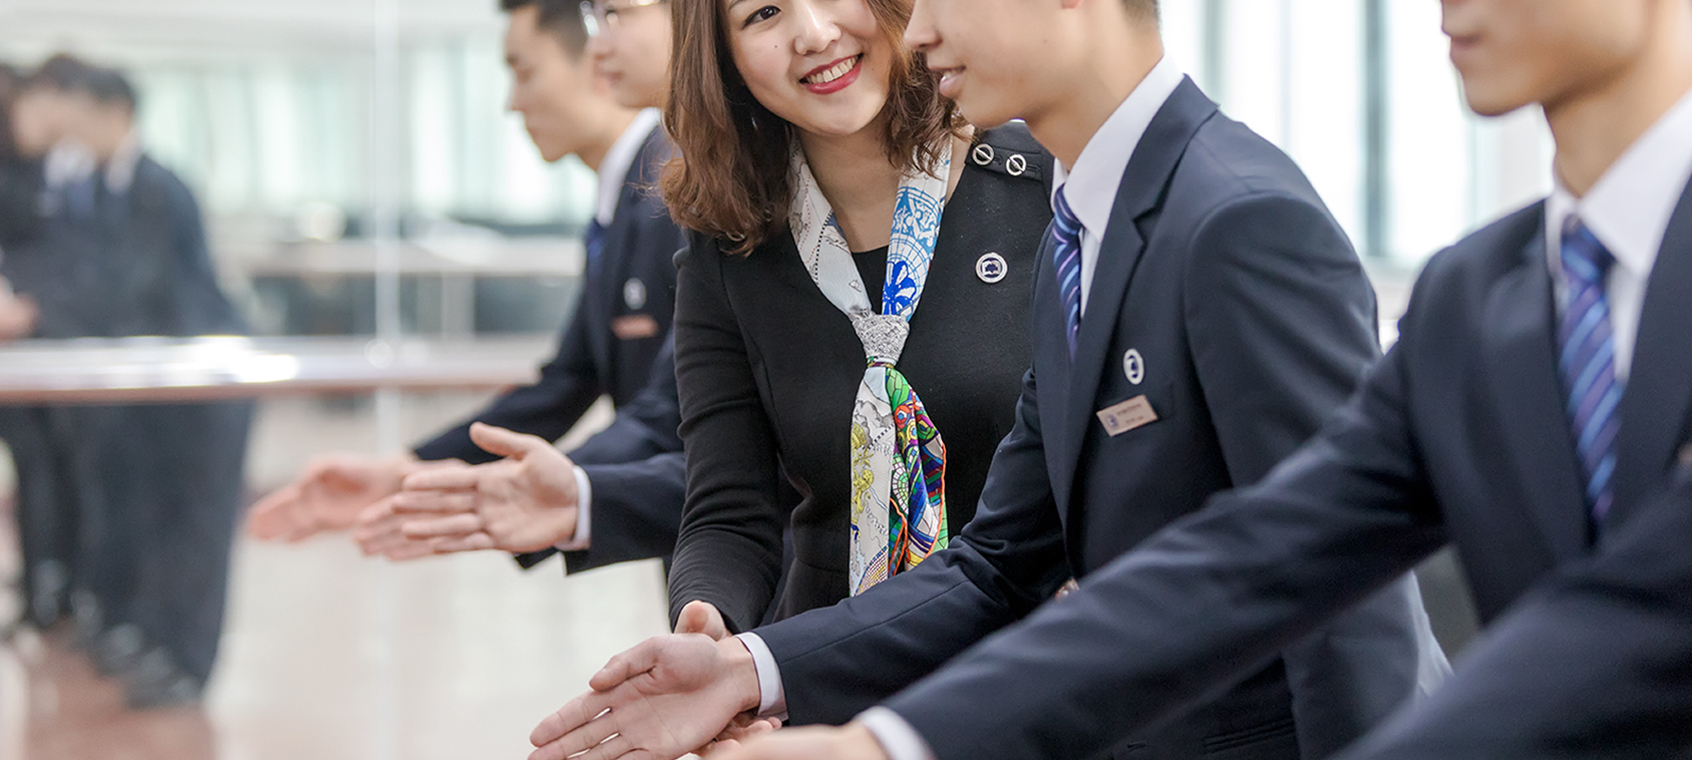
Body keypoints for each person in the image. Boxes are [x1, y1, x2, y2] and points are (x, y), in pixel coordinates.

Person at [662, 0, 1692, 758]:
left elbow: (1387, 628)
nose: (915, 31)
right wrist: (876, 735)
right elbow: (1246, 563)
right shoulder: (1480, 291)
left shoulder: (1235, 218)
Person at [527, 0, 1443, 758]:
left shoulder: (1231, 219)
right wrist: (749, 667)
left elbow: (1351, 607)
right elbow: (1002, 561)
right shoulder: (1089, 222)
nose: (917, 29)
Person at [247, 0, 688, 555]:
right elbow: (566, 381)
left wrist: (516, 495)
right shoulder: (625, 198)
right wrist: (408, 472)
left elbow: (668, 416)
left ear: (597, 64)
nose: (512, 103)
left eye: (524, 71)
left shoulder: (675, 191)